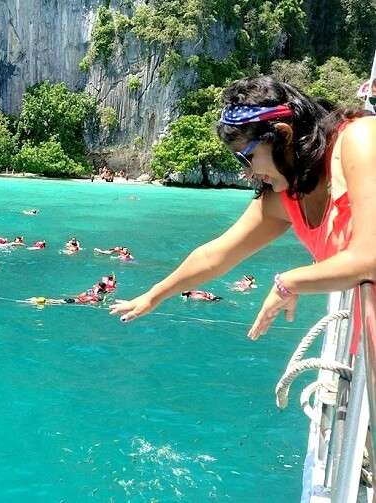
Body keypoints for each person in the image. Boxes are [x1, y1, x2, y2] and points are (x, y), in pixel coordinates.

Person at [110, 75, 376, 341]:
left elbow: (369, 260)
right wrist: (154, 296)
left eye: (246, 157)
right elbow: (216, 255)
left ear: (283, 134)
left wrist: (289, 282)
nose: (248, 174)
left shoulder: (360, 138)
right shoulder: (286, 198)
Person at [26, 281, 110, 305]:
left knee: (58, 301)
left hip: (76, 300)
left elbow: (80, 295)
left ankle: (42, 301)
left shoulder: (89, 292)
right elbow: (93, 302)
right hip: (76, 301)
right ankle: (41, 301)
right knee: (58, 301)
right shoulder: (94, 297)